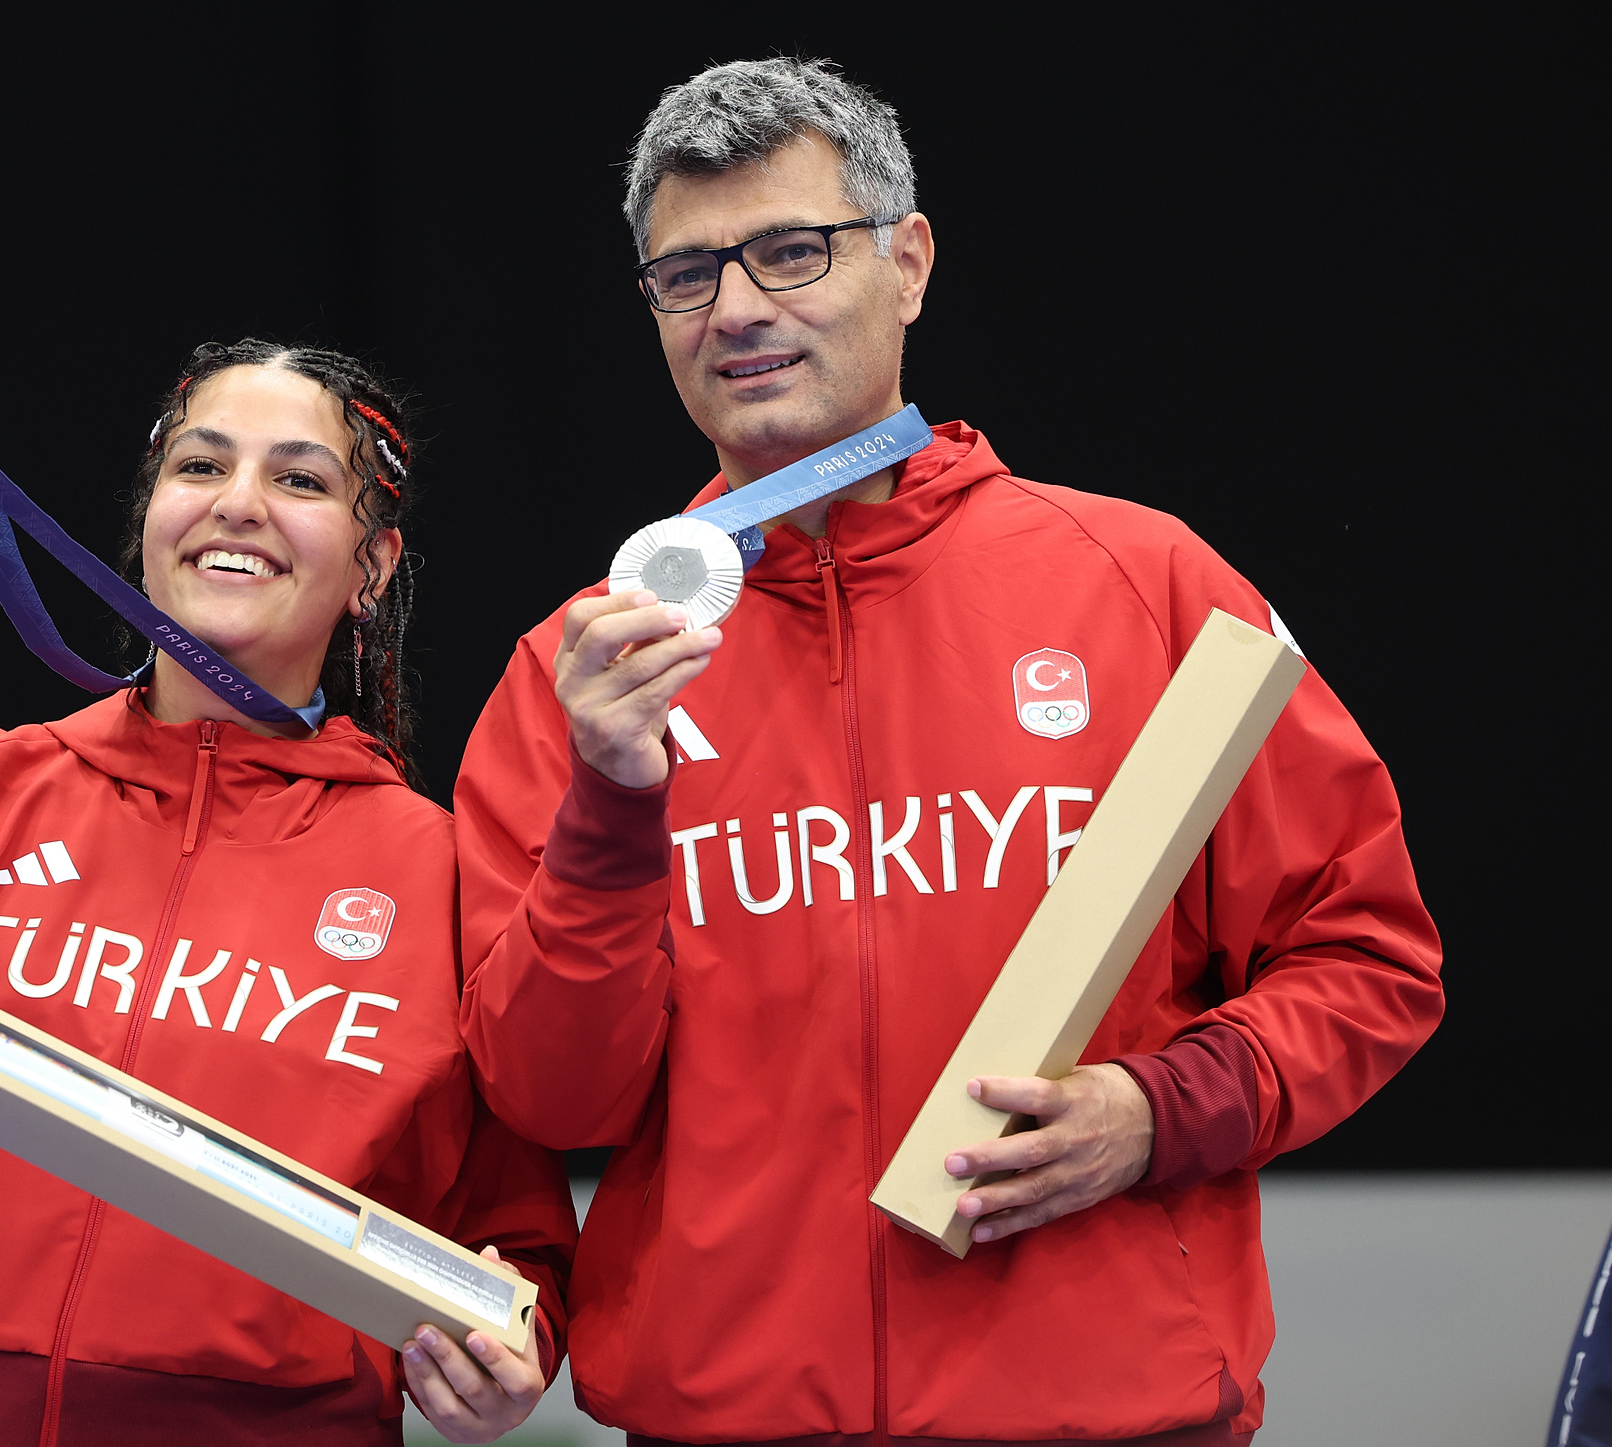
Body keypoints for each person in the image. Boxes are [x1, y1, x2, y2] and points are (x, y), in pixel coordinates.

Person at [454, 59, 1443, 1445]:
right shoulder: (582, 668)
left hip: (1099, 1411)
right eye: (686, 276)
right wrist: (610, 809)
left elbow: (1370, 956)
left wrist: (1159, 1109)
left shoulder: (1144, 584)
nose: (736, 308)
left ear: (907, 261)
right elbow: (549, 1094)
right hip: (727, 1418)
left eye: (788, 252)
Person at [0, 340, 574, 1447]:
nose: (239, 505)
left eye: (300, 480)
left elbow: (516, 1236)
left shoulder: (442, 871)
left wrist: (512, 1345)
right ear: (151, 514)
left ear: (373, 567)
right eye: (201, 467)